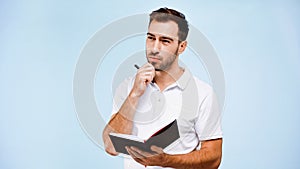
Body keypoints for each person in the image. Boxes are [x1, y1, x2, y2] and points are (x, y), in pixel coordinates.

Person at [103, 7, 223, 169]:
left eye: (165, 41)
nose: (154, 48)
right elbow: (110, 146)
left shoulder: (203, 93)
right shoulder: (128, 86)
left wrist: (166, 160)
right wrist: (134, 95)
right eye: (151, 38)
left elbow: (214, 159)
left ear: (181, 47)